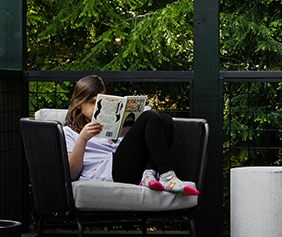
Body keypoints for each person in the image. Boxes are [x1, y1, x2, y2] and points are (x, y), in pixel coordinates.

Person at [63, 75, 198, 195]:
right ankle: (167, 174)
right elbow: (72, 174)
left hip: (131, 167)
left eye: (101, 103)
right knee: (150, 117)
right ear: (78, 104)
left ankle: (149, 173)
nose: (96, 108)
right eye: (92, 102)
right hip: (107, 173)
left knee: (165, 120)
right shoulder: (69, 132)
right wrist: (83, 139)